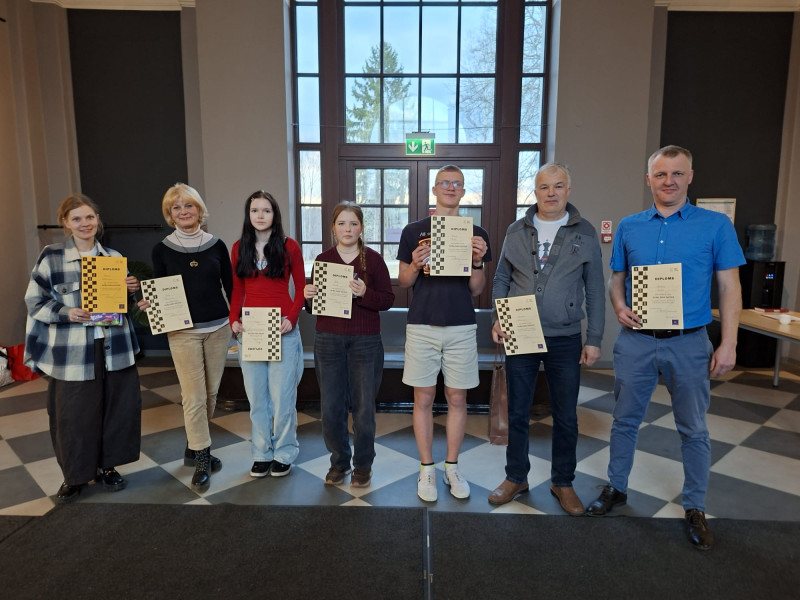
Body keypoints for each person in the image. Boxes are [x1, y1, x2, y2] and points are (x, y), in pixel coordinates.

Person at [585, 146, 745, 551]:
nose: (668, 181)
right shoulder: (629, 226)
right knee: (624, 420)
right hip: (636, 342)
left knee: (693, 428)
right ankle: (617, 487)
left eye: (677, 173)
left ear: (690, 176)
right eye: (660, 174)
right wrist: (619, 305)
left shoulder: (715, 226)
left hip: (689, 343)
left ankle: (695, 506)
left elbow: (730, 286)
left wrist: (728, 342)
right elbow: (616, 279)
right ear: (649, 180)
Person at [488, 163, 605, 515]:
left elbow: (595, 288)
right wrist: (498, 317)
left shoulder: (585, 232)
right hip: (519, 332)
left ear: (568, 190)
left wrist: (594, 338)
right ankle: (516, 477)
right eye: (544, 187)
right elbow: (501, 279)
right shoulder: (516, 230)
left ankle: (562, 481)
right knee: (517, 411)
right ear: (535, 191)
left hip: (566, 337)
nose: (551, 193)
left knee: (566, 415)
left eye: (558, 186)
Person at [24, 194, 142, 503]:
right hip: (72, 353)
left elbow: (122, 307)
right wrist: (67, 312)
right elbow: (34, 301)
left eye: (89, 217)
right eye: (77, 218)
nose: (85, 223)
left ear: (97, 220)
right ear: (66, 223)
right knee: (73, 416)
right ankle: (75, 476)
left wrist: (131, 291)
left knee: (116, 410)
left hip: (113, 347)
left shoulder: (113, 258)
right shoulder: (51, 257)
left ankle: (108, 467)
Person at [397, 165, 491, 502]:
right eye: (445, 183)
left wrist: (477, 262)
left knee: (457, 398)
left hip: (461, 324)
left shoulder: (475, 233)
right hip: (422, 324)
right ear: (434, 189)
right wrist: (414, 264)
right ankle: (426, 468)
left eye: (457, 184)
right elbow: (404, 282)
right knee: (423, 398)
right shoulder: (414, 230)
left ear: (463, 191)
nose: (451, 188)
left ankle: (452, 466)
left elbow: (476, 289)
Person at [138, 183, 233, 492]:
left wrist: (238, 320)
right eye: (176, 207)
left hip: (218, 329)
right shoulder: (162, 249)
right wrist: (150, 303)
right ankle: (202, 457)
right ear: (170, 214)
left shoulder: (217, 245)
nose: (183, 212)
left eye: (188, 205)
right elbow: (161, 289)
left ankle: (194, 446)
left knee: (211, 394)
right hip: (182, 333)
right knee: (193, 396)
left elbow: (231, 287)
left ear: (198, 209)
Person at [303, 202, 395, 488]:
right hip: (328, 340)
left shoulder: (373, 260)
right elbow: (314, 307)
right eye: (341, 223)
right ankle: (339, 462)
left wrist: (366, 293)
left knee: (364, 409)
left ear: (361, 228)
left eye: (353, 223)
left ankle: (363, 465)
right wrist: (308, 297)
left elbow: (388, 300)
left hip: (365, 342)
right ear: (333, 228)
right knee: (331, 407)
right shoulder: (323, 260)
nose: (347, 229)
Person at [230, 190, 305, 478]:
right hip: (251, 330)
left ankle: (284, 451)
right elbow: (238, 289)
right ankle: (261, 452)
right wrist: (233, 318)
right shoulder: (239, 247)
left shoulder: (289, 246)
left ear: (275, 214)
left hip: (282, 328)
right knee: (257, 398)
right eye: (254, 211)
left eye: (266, 210)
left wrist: (292, 318)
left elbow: (301, 287)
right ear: (248, 215)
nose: (260, 215)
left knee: (283, 398)